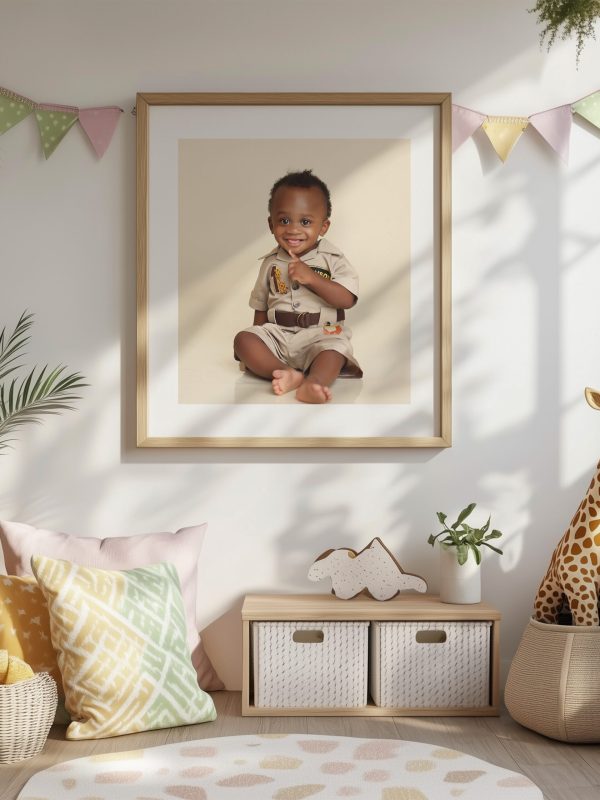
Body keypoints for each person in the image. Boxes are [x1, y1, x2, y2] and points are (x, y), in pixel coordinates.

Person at [233, 169, 362, 404]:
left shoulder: (332, 259)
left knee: (334, 351)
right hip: (278, 334)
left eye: (305, 221)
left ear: (323, 227)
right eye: (284, 220)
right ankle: (284, 372)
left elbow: (347, 299)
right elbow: (261, 304)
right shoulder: (271, 262)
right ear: (271, 224)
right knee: (244, 339)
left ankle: (315, 383)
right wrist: (259, 339)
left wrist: (312, 278)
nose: (293, 229)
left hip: (321, 334)